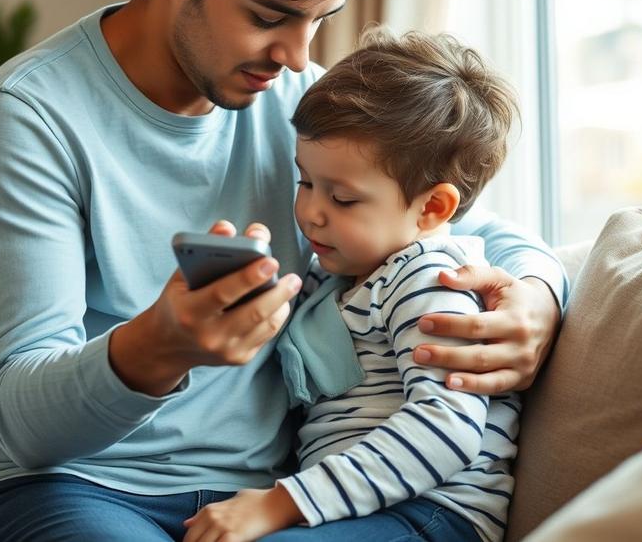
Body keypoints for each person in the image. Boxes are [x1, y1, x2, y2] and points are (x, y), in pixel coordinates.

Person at [0, 0, 567, 540]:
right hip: (61, 483)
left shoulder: (297, 100)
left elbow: (448, 223)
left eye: (319, 20)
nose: (296, 55)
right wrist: (159, 346)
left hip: (259, 496)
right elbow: (22, 424)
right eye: (269, 15)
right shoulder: (28, 119)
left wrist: (536, 296)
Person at [184, 29, 521, 542]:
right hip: (355, 508)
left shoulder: (431, 280)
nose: (310, 213)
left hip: (431, 513)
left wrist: (283, 502)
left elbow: (446, 428)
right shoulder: (337, 276)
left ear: (432, 208)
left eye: (342, 199)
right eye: (306, 182)